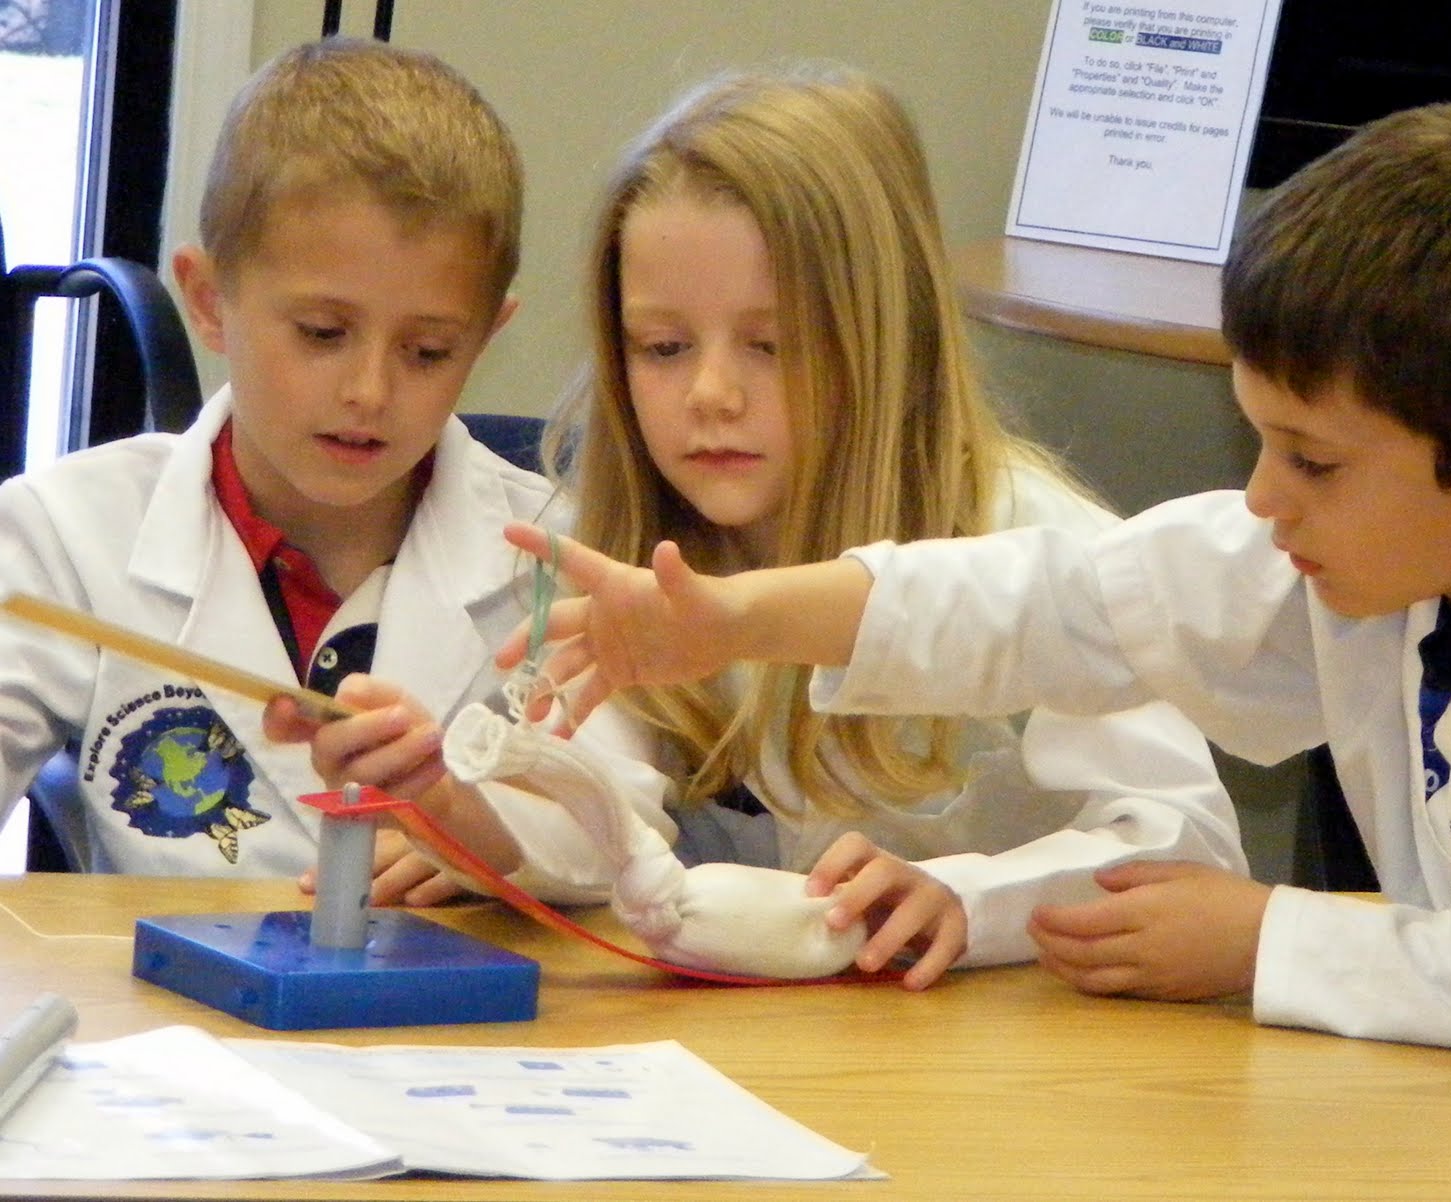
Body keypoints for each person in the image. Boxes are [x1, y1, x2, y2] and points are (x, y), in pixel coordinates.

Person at [514, 95, 1451, 1069]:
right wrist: (742, 619)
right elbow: (1058, 601)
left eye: (1310, 460)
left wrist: (1267, 931)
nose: (1262, 498)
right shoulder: (1383, 552)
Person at [294, 64, 1245, 989]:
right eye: (662, 348)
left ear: (884, 339)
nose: (710, 394)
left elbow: (1185, 838)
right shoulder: (623, 543)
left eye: (772, 345)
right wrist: (454, 808)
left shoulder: (1022, 539)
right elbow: (602, 829)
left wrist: (969, 898)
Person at [0, 36, 555, 902]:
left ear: (487, 336)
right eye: (323, 334)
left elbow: (630, 846)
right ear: (209, 300)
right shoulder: (63, 535)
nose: (369, 391)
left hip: (468, 1031)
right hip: (164, 1028)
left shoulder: (556, 558)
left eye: (429, 349)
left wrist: (494, 846)